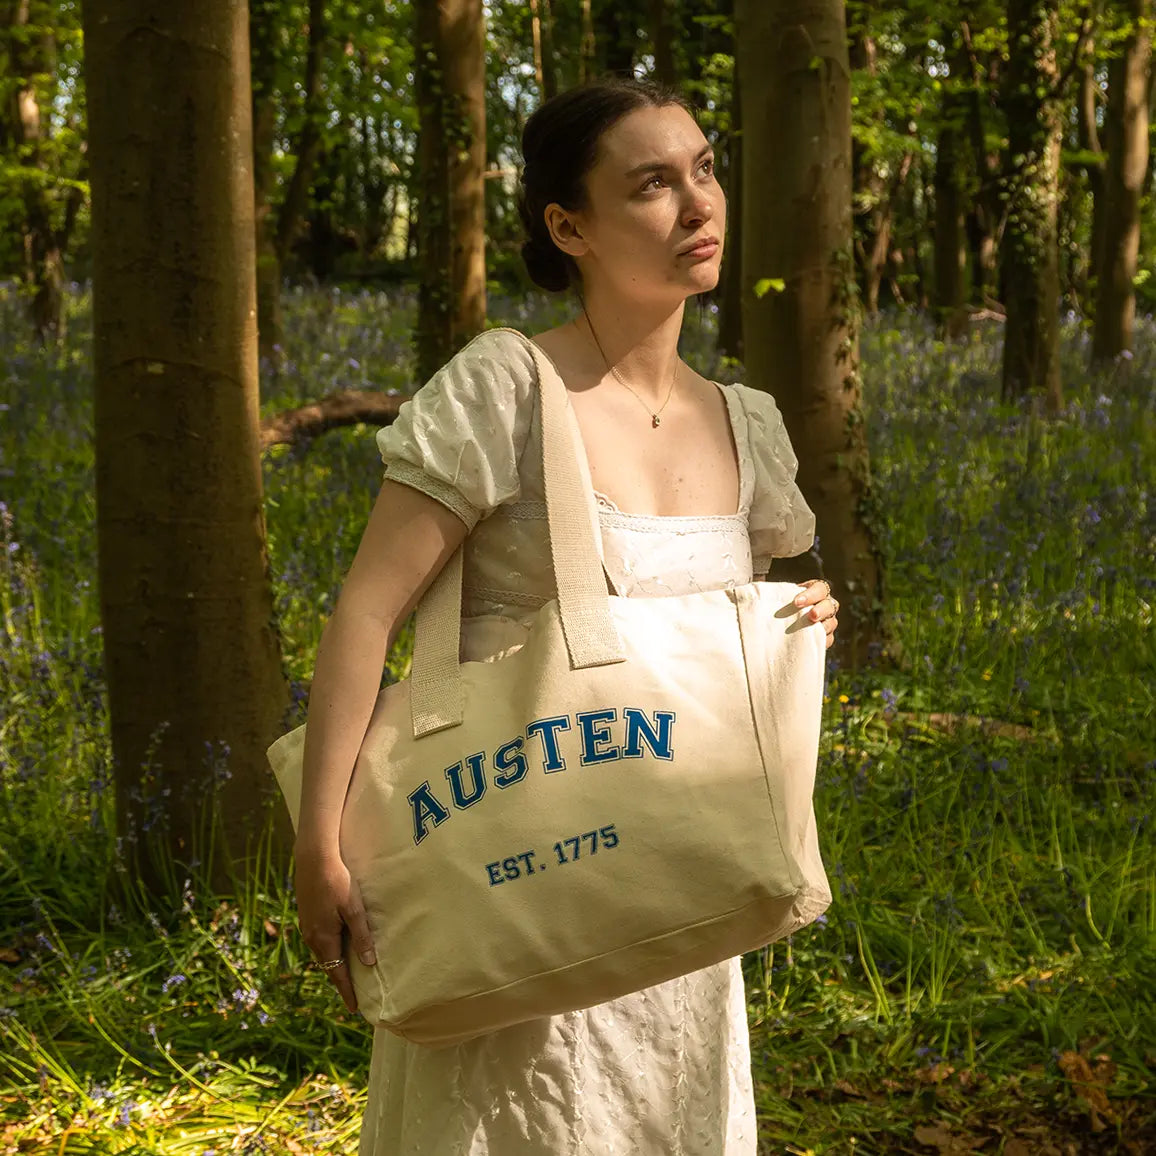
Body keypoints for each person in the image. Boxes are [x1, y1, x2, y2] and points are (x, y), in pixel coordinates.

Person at [293, 76, 839, 1156]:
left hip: (678, 898)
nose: (696, 206)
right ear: (568, 225)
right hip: (519, 883)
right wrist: (319, 839)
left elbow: (715, 647)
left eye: (703, 170)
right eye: (650, 184)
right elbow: (366, 612)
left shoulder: (744, 422)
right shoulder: (506, 386)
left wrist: (795, 626)